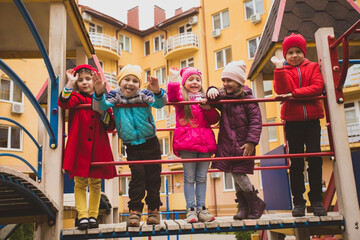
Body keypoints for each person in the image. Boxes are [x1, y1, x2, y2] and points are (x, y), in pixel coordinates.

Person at [92, 64, 168, 227]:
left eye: (135, 80)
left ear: (139, 85)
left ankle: (153, 210)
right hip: (132, 145)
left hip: (150, 142)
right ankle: (134, 211)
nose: (130, 83)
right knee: (138, 178)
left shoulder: (143, 94)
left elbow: (160, 104)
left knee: (153, 178)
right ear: (120, 82)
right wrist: (98, 93)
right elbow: (99, 107)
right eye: (127, 79)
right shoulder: (115, 95)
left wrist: (157, 91)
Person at [270, 33, 327, 217]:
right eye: (290, 53)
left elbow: (317, 87)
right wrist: (279, 69)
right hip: (292, 122)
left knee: (315, 159)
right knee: (296, 162)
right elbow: (281, 90)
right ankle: (299, 202)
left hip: (312, 121)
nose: (294, 56)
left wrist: (294, 94)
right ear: (285, 55)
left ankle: (317, 200)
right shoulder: (283, 70)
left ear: (304, 52)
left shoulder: (313, 67)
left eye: (298, 52)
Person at [58, 64, 117, 230]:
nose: (84, 82)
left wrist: (101, 111)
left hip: (97, 147)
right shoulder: (77, 98)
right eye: (80, 80)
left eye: (88, 79)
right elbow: (63, 102)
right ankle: (82, 215)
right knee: (80, 183)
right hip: (80, 146)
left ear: (94, 80)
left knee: (96, 183)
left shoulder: (102, 101)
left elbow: (110, 124)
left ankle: (93, 215)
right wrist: (70, 83)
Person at [206, 60, 265, 220]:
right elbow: (211, 99)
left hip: (243, 144)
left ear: (239, 82)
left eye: (229, 80)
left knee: (239, 173)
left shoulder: (248, 99)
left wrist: (251, 142)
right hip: (227, 143)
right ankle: (244, 208)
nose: (225, 84)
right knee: (233, 173)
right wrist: (211, 90)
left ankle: (256, 202)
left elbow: (255, 122)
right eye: (223, 80)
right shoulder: (224, 97)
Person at [167, 67, 219, 223]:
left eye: (197, 79)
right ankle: (190, 210)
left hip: (204, 143)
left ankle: (202, 209)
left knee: (202, 177)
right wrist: (174, 80)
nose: (195, 82)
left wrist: (208, 107)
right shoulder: (182, 99)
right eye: (191, 79)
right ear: (184, 83)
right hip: (187, 143)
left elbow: (214, 120)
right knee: (189, 178)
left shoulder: (205, 98)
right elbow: (172, 96)